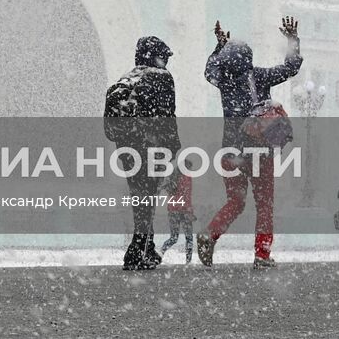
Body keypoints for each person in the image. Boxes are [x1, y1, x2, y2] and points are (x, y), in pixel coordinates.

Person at [196, 16, 303, 269]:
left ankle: (209, 233)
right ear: (249, 58)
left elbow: (209, 71)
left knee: (236, 201)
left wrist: (219, 48)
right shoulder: (260, 77)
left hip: (230, 152)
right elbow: (290, 68)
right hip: (258, 152)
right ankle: (262, 255)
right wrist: (292, 40)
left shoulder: (224, 82)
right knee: (264, 204)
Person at [104, 35, 180, 270]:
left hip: (127, 148)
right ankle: (137, 250)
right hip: (150, 144)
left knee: (141, 197)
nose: (166, 61)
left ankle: (146, 247)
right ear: (157, 56)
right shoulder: (161, 77)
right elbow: (167, 115)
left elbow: (111, 124)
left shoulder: (127, 77)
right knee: (147, 197)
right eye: (164, 56)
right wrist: (173, 147)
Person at [159, 171, 195, 264]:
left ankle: (160, 253)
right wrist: (190, 211)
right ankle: (188, 261)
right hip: (185, 211)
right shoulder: (187, 178)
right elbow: (186, 197)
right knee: (189, 238)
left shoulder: (172, 178)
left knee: (173, 238)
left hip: (173, 211)